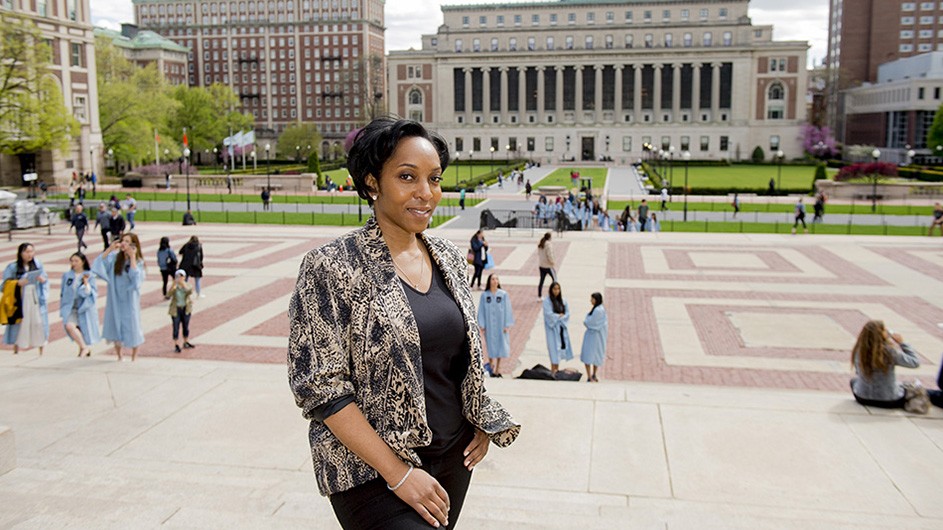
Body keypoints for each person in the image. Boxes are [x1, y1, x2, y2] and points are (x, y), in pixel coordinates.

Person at [288, 117, 520, 530]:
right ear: (372, 182)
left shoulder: (448, 257)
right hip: (370, 471)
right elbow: (320, 389)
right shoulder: (331, 266)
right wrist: (400, 474)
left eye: (434, 178)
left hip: (452, 461)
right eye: (407, 177)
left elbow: (456, 358)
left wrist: (479, 416)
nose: (426, 193)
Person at [92, 233, 146, 361]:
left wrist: (132, 257)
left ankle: (134, 356)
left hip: (129, 297)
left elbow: (136, 279)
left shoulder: (138, 261)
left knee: (132, 324)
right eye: (123, 241)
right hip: (115, 296)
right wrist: (110, 248)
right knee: (115, 323)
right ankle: (119, 355)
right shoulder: (115, 258)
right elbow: (100, 264)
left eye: (127, 241)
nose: (124, 243)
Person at [850, 320, 920, 409]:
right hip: (889, 400)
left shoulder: (859, 350)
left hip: (862, 398)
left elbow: (858, 373)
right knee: (909, 388)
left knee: (854, 381)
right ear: (881, 334)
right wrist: (902, 343)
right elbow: (914, 362)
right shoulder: (889, 352)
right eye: (885, 330)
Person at [2, 243, 49, 355]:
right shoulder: (13, 267)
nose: (29, 254)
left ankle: (41, 349)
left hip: (34, 296)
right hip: (20, 298)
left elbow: (45, 280)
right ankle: (16, 349)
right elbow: (4, 285)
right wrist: (17, 283)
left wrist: (42, 280)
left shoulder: (38, 264)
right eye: (26, 252)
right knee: (20, 323)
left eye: (31, 251)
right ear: (20, 253)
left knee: (38, 322)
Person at [60, 252, 100, 357]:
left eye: (76, 261)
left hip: (84, 307)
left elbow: (90, 293)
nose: (74, 263)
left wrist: (86, 283)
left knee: (83, 329)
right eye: (72, 261)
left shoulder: (89, 275)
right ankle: (84, 347)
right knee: (69, 326)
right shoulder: (67, 275)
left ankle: (83, 348)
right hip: (70, 307)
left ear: (83, 262)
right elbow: (63, 291)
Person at [477, 273, 514, 378]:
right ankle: (491, 365)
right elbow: (481, 310)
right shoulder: (485, 295)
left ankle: (498, 368)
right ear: (489, 281)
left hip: (500, 325)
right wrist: (482, 324)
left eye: (496, 279)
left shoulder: (503, 295)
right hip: (489, 325)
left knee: (500, 346)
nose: (495, 281)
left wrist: (507, 324)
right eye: (493, 279)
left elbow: (508, 309)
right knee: (490, 346)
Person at [542, 281, 573, 375]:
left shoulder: (563, 301)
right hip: (552, 330)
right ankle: (553, 370)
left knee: (559, 349)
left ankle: (556, 370)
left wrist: (560, 317)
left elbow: (567, 314)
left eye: (558, 289)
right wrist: (559, 316)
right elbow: (549, 315)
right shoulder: (547, 301)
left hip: (561, 329)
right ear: (551, 290)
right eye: (554, 289)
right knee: (553, 349)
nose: (556, 291)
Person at [580, 292, 608, 383]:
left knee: (591, 355)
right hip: (594, 336)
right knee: (592, 355)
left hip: (594, 336)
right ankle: (591, 375)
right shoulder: (598, 309)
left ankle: (591, 375)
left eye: (592, 299)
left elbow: (590, 322)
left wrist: (586, 321)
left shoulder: (598, 311)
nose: (591, 301)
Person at [168, 269, 196, 353]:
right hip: (176, 309)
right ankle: (176, 344)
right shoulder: (174, 287)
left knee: (185, 326)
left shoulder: (187, 285)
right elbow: (168, 295)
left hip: (186, 309)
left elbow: (189, 291)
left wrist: (183, 285)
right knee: (176, 327)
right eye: (177, 276)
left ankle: (185, 341)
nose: (179, 278)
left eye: (181, 276)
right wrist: (173, 285)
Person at [536, 231, 556, 300]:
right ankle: (553, 294)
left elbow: (539, 254)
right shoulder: (548, 245)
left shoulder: (541, 244)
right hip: (548, 266)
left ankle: (539, 296)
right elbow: (549, 255)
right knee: (555, 280)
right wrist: (553, 262)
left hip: (541, 265)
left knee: (541, 281)